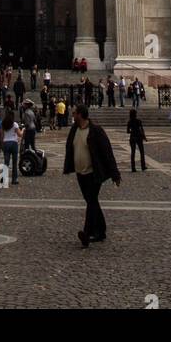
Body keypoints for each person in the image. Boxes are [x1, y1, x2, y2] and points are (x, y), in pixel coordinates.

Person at [64, 102, 121, 247]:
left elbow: (107, 152)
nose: (72, 114)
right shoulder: (74, 129)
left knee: (91, 200)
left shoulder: (96, 131)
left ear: (80, 114)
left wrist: (115, 174)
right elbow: (70, 147)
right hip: (80, 172)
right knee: (92, 201)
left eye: (75, 112)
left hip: (94, 173)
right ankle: (101, 230)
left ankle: (86, 233)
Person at [1, 110, 22, 185]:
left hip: (6, 143)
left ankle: (4, 178)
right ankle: (14, 179)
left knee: (6, 162)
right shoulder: (15, 124)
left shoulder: (3, 124)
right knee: (14, 162)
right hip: (14, 143)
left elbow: (2, 136)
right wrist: (23, 130)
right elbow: (19, 134)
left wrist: (2, 145)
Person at [128, 107, 146, 172]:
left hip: (132, 137)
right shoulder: (138, 121)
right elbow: (141, 129)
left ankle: (133, 168)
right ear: (136, 114)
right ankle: (143, 166)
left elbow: (127, 131)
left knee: (133, 153)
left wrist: (132, 131)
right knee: (142, 152)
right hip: (139, 137)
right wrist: (144, 136)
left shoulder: (129, 122)